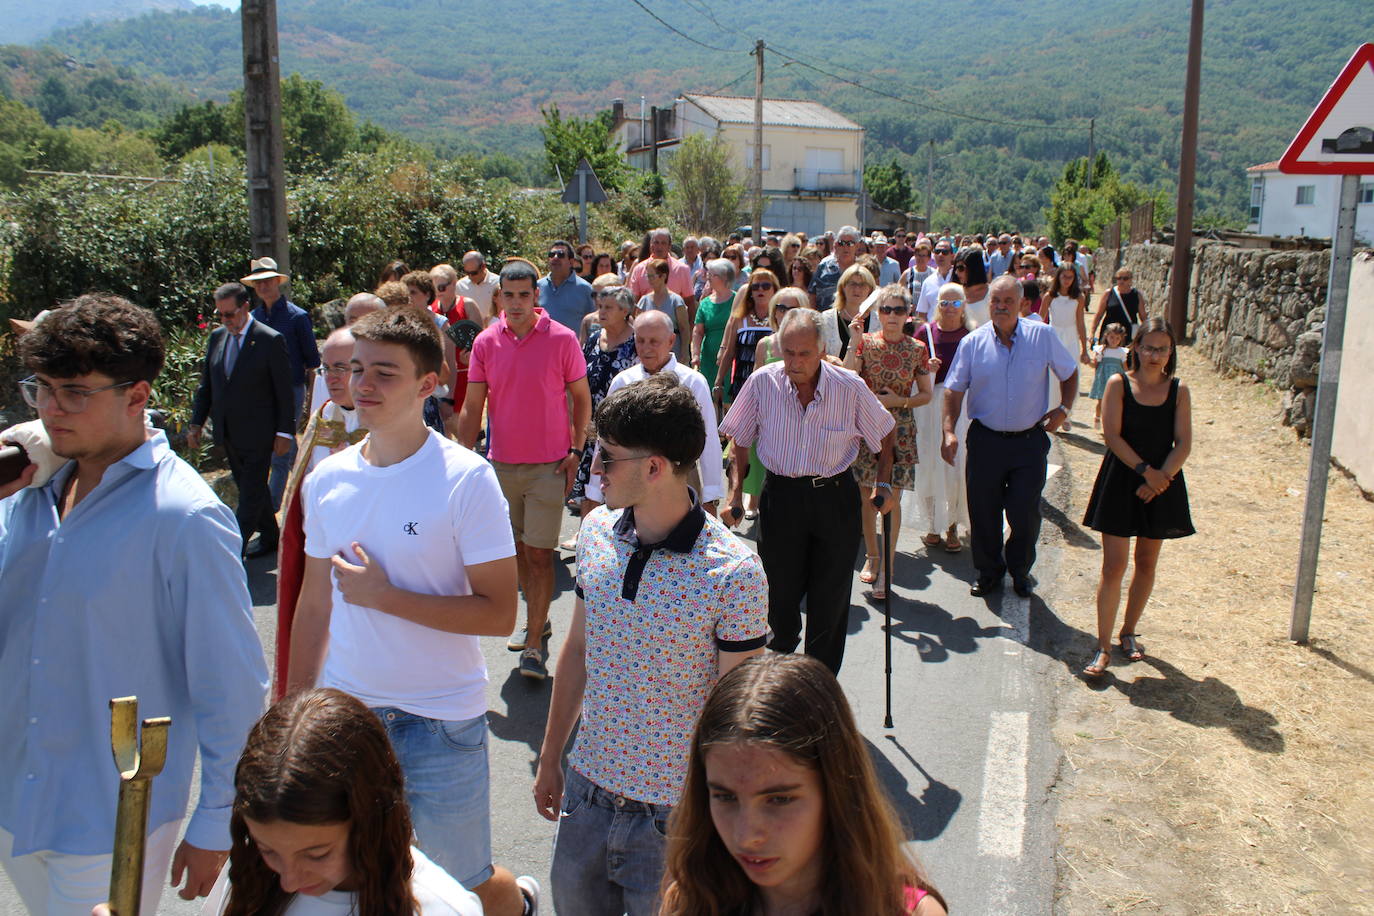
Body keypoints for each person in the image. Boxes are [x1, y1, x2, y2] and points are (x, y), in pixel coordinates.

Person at [0, 294, 268, 914]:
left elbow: (231, 684)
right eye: (39, 388)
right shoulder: (26, 489)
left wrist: (218, 821)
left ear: (137, 394)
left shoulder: (185, 515)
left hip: (110, 822)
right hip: (15, 797)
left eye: (73, 392)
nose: (49, 409)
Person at [286, 307, 538, 916]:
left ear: (428, 385)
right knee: (363, 879)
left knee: (458, 886)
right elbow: (314, 602)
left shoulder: (466, 479)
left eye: (384, 373)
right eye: (354, 370)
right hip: (347, 716)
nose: (362, 385)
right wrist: (290, 711)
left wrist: (385, 597)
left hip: (440, 721)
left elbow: (499, 614)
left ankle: (519, 903)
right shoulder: (326, 480)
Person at [534, 374, 768, 916]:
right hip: (587, 796)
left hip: (675, 818)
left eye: (608, 458)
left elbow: (737, 716)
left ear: (655, 467)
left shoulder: (733, 572)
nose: (595, 469)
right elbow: (575, 654)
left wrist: (724, 824)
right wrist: (551, 758)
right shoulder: (594, 532)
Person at [658, 653, 948, 916]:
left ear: (835, 789)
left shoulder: (909, 912)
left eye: (779, 799)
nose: (746, 836)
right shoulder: (690, 901)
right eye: (724, 797)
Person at [720, 308, 896, 674]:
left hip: (834, 498)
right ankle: (782, 671)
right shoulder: (762, 383)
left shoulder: (849, 387)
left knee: (830, 599)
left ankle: (820, 682)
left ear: (822, 349)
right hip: (781, 498)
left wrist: (883, 483)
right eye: (788, 352)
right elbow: (739, 437)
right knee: (779, 597)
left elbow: (885, 431)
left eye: (804, 353)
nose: (795, 362)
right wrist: (736, 494)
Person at [215, 689, 483, 915]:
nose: (289, 880)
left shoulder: (442, 908)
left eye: (317, 855)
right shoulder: (252, 872)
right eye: (269, 850)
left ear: (369, 820)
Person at [458, 259, 592, 681]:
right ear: (499, 297)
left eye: (524, 295)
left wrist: (575, 449)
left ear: (536, 296)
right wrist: (464, 457)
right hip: (500, 466)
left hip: (549, 467)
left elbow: (582, 399)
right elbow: (472, 405)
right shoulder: (485, 342)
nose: (516, 304)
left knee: (539, 555)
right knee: (514, 552)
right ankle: (540, 618)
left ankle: (533, 645)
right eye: (509, 296)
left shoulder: (563, 339)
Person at [941, 275, 1079, 598]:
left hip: (1028, 442)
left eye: (1008, 302)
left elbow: (1070, 372)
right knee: (984, 512)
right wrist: (948, 430)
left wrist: (1064, 408)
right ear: (988, 304)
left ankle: (1020, 570)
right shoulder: (972, 343)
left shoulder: (1042, 337)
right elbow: (953, 389)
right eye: (995, 301)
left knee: (1024, 512)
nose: (1001, 307)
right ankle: (989, 571)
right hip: (986, 441)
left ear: (1022, 305)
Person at [1081, 319, 1193, 677]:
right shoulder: (1119, 384)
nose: (1154, 355)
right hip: (1123, 480)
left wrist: (1161, 480)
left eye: (1162, 349)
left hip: (1161, 483)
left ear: (1171, 351)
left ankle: (1128, 632)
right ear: (1136, 347)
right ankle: (1101, 646)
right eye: (1148, 347)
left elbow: (1184, 443)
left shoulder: (1179, 390)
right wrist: (1147, 472)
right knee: (1114, 566)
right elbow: (1112, 436)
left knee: (1146, 563)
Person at [273, 326, 368, 698]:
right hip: (322, 559)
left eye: (342, 367)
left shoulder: (386, 418)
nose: (333, 378)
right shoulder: (324, 414)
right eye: (326, 369)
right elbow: (301, 490)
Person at [189, 281, 295, 559]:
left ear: (245, 307)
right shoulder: (217, 338)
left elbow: (284, 392)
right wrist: (196, 423)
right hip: (229, 431)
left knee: (248, 495)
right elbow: (207, 386)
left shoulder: (269, 339)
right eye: (221, 315)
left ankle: (230, 550)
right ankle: (272, 536)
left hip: (260, 432)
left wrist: (285, 432)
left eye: (230, 314)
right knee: (253, 487)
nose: (226, 321)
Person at [843, 285, 932, 599]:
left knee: (890, 501)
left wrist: (899, 401)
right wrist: (854, 341)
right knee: (867, 498)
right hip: (867, 429)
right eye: (886, 310)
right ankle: (873, 556)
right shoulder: (865, 343)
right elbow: (849, 379)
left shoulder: (917, 348)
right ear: (877, 313)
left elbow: (926, 394)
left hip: (900, 430)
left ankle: (888, 568)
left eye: (898, 310)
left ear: (908, 314)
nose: (891, 316)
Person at [586, 309, 724, 512]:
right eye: (640, 340)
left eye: (654, 341)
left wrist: (710, 496)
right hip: (628, 480)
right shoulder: (623, 381)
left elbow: (709, 440)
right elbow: (605, 438)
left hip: (679, 479)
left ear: (671, 341)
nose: (646, 348)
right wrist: (594, 491)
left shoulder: (693, 382)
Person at [563, 286, 638, 552]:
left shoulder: (636, 342)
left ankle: (623, 537)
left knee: (619, 480)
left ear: (625, 311)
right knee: (588, 482)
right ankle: (586, 535)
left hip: (623, 426)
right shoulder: (594, 339)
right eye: (600, 306)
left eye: (608, 307)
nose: (601, 312)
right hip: (591, 425)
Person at [243, 256, 320, 509]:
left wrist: (310, 397)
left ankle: (273, 507)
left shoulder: (297, 317)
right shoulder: (252, 319)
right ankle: (308, 483)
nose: (263, 287)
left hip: (291, 389)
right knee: (286, 446)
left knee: (280, 451)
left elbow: (311, 361)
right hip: (263, 393)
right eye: (259, 283)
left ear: (277, 282)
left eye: (267, 281)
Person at [913, 284, 972, 552]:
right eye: (944, 303)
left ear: (963, 307)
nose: (949, 308)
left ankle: (952, 527)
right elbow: (910, 369)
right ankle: (931, 525)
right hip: (928, 406)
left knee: (955, 465)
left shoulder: (972, 335)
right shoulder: (924, 333)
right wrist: (926, 369)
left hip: (960, 405)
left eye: (955, 303)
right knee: (929, 462)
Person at [1044, 261, 1091, 426]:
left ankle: (1066, 413)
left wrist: (1085, 348)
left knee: (1071, 373)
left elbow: (1080, 322)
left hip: (1070, 337)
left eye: (1071, 277)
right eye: (1064, 276)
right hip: (1054, 335)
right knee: (1052, 375)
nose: (1067, 281)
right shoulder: (1050, 296)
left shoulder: (1078, 298)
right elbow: (1040, 320)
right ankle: (1051, 410)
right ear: (1059, 277)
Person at [692, 258, 736, 402]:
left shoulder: (737, 300)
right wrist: (696, 354)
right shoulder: (705, 303)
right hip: (709, 358)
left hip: (731, 356)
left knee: (728, 400)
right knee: (708, 399)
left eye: (712, 274)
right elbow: (698, 331)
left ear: (724, 277)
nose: (708, 277)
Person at [628, 229, 697, 316]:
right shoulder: (639, 269)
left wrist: (689, 328)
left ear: (669, 247)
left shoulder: (682, 269)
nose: (659, 247)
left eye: (663, 243)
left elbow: (690, 303)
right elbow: (634, 303)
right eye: (656, 242)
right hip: (646, 323)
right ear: (651, 245)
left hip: (673, 326)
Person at [635, 258, 691, 360]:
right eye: (648, 276)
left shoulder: (676, 301)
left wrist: (685, 352)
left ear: (663, 276)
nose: (649, 279)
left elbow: (684, 329)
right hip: (649, 351)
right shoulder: (644, 301)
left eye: (652, 276)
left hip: (673, 349)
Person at [819, 264, 876, 359]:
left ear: (870, 290)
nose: (857, 289)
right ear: (843, 287)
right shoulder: (826, 319)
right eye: (852, 284)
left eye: (862, 285)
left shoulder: (879, 321)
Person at [538, 240, 597, 332]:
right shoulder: (537, 287)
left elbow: (595, 322)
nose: (555, 257)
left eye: (561, 255)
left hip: (573, 345)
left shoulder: (585, 289)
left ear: (571, 262)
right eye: (552, 255)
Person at [1088, 323, 1130, 429]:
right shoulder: (1101, 350)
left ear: (1121, 339)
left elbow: (1125, 368)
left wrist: (1129, 379)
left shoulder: (1121, 352)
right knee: (1101, 401)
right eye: (1111, 337)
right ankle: (1097, 416)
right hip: (1103, 379)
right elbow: (1095, 365)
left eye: (1117, 338)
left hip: (1117, 380)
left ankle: (1110, 423)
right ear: (1106, 336)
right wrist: (1088, 362)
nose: (1114, 340)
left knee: (1115, 402)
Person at [809, 225, 860, 311]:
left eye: (850, 243)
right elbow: (812, 294)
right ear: (835, 245)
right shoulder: (823, 266)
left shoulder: (862, 268)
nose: (845, 247)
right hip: (824, 319)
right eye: (841, 243)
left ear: (857, 246)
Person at [1092, 267, 1148, 342]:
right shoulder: (1109, 293)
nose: (1121, 281)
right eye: (1119, 278)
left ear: (1130, 280)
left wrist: (1148, 334)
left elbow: (1143, 317)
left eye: (1125, 278)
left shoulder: (1136, 295)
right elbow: (1099, 315)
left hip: (1128, 334)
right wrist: (1092, 333)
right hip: (1109, 335)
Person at [915, 240, 955, 320]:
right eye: (937, 252)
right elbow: (922, 314)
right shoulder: (928, 282)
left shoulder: (960, 278)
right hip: (934, 330)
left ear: (952, 256)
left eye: (945, 252)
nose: (940, 255)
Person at [456, 251, 500, 324]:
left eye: (474, 273)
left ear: (483, 267)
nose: (470, 277)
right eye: (467, 273)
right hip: (471, 331)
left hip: (494, 329)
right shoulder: (460, 286)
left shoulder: (498, 283)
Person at [953, 246, 990, 327]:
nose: (956, 272)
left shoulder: (992, 294)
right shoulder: (955, 292)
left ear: (974, 268)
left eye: (960, 268)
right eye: (956, 268)